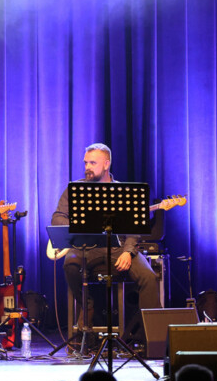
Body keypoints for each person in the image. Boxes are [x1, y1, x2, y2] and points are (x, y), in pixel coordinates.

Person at [50, 144, 161, 345]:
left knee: (149, 277)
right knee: (70, 265)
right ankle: (87, 306)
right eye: (86, 163)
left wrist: (128, 252)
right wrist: (78, 225)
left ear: (106, 164)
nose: (87, 167)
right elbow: (57, 217)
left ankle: (150, 339)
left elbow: (134, 227)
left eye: (93, 163)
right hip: (85, 248)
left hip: (118, 248)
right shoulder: (75, 189)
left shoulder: (123, 191)